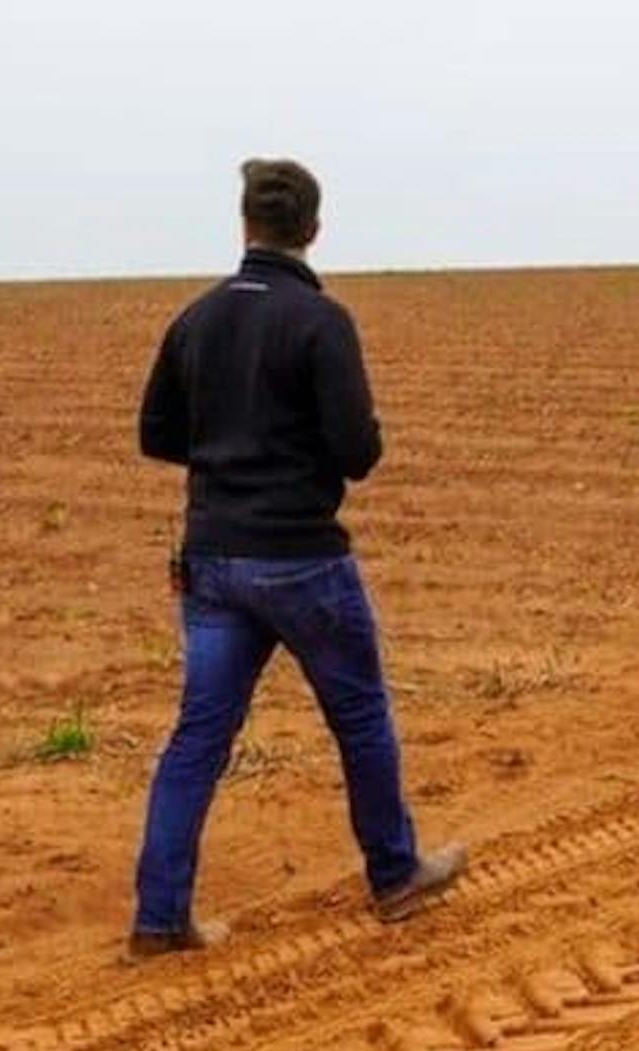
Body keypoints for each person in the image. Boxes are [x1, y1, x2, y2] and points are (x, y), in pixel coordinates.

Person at [128, 158, 464, 960]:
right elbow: (357, 453)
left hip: (211, 561)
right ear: (312, 230)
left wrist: (226, 451)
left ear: (245, 225)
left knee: (198, 737)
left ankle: (159, 918)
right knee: (360, 718)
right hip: (301, 562)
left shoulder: (196, 318)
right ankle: (395, 876)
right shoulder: (321, 322)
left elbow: (156, 436)